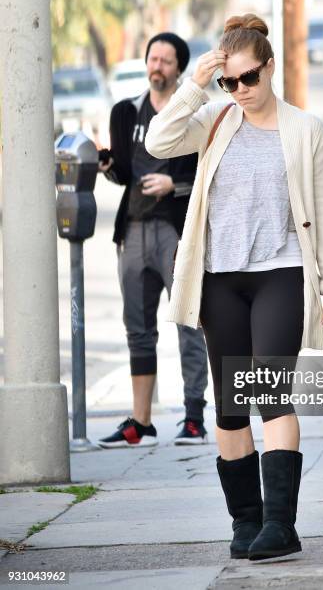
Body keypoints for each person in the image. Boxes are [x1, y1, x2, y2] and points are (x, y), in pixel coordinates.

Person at [145, 15, 323, 560]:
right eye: (229, 82)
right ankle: (246, 523)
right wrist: (196, 84)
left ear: (271, 67)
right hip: (220, 279)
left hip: (279, 273)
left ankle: (281, 525)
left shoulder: (305, 130)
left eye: (249, 79)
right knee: (231, 406)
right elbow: (159, 140)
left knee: (268, 394)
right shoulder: (214, 118)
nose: (240, 91)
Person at [97, 32, 209, 448]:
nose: (156, 66)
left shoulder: (194, 116)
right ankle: (140, 420)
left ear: (179, 68)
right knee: (137, 329)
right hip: (134, 230)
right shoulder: (126, 113)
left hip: (176, 231)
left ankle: (194, 416)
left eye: (165, 60)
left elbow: (205, 175)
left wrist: (173, 185)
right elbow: (124, 173)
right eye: (152, 58)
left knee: (188, 321)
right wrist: (107, 165)